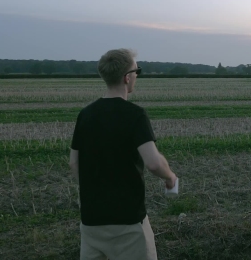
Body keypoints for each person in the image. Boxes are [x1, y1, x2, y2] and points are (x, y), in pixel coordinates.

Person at [70, 49, 177, 260]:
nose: (137, 76)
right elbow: (154, 163)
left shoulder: (85, 114)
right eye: (137, 71)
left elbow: (74, 163)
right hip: (127, 223)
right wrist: (170, 177)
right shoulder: (135, 115)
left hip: (91, 222)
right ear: (127, 77)